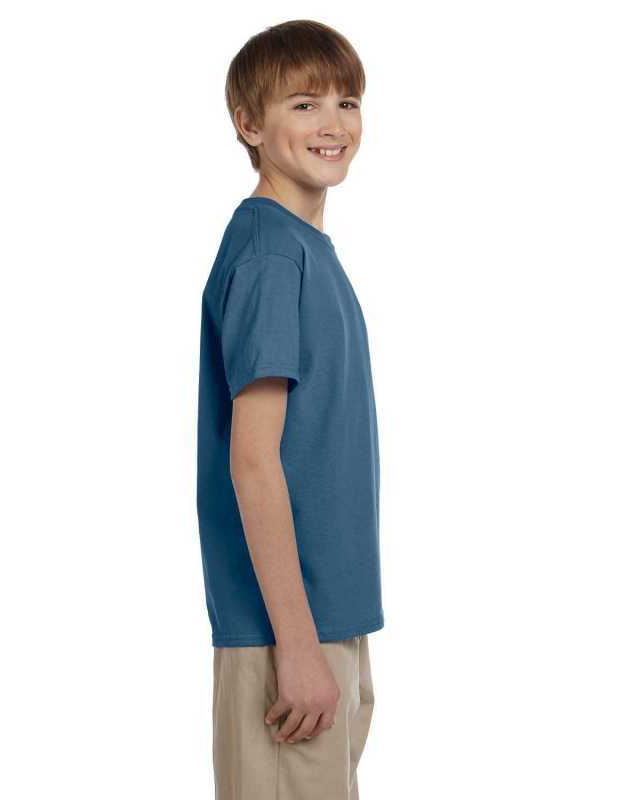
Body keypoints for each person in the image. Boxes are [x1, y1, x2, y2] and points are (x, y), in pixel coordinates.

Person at [196, 19, 384, 800]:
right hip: (288, 633)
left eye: (347, 101)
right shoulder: (272, 255)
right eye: (303, 104)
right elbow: (253, 461)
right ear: (249, 124)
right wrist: (297, 645)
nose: (332, 123)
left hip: (329, 618)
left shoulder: (303, 250)